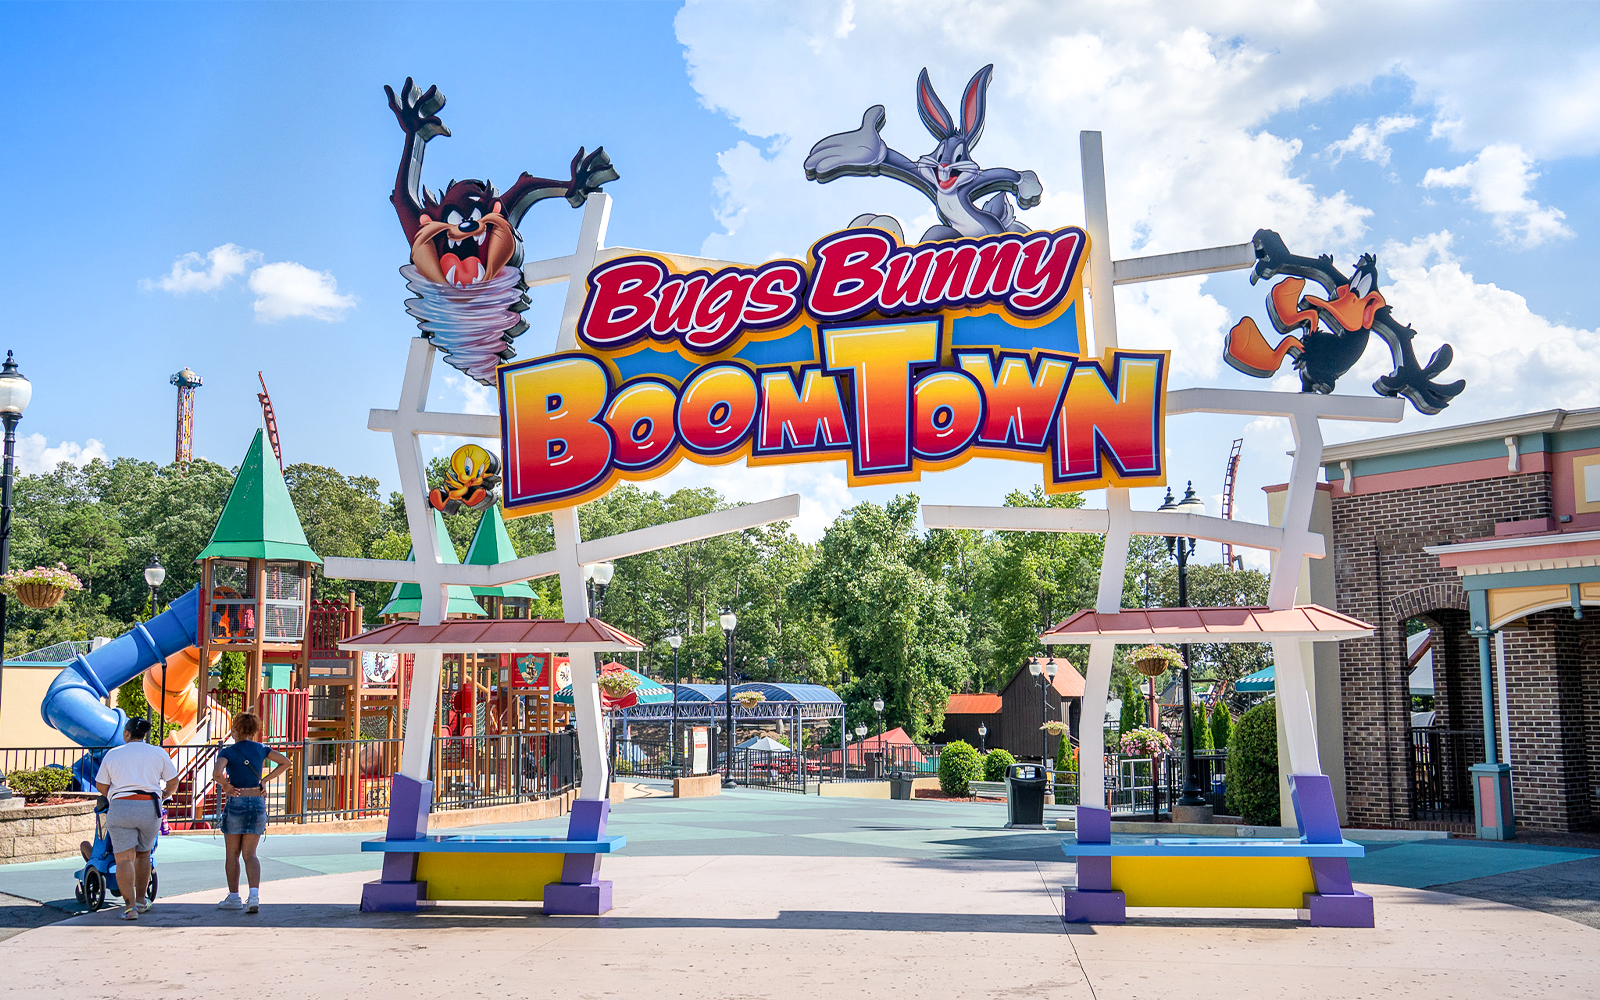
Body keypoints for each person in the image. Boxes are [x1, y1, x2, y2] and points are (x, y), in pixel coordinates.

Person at [93, 717, 179, 920]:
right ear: (145, 735)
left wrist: (112, 794)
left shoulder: (113, 754)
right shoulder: (158, 752)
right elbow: (173, 780)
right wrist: (165, 794)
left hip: (121, 806)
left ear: (126, 733)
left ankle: (130, 908)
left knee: (123, 859)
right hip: (149, 806)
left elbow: (101, 786)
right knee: (143, 855)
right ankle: (141, 900)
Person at [212, 713, 289, 913]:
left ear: (236, 729)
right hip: (256, 801)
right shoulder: (261, 749)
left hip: (236, 800)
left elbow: (216, 773)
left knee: (232, 854)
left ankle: (234, 897)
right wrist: (264, 780)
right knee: (250, 854)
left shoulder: (228, 752)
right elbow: (286, 762)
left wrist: (227, 786)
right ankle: (254, 896)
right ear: (254, 730)